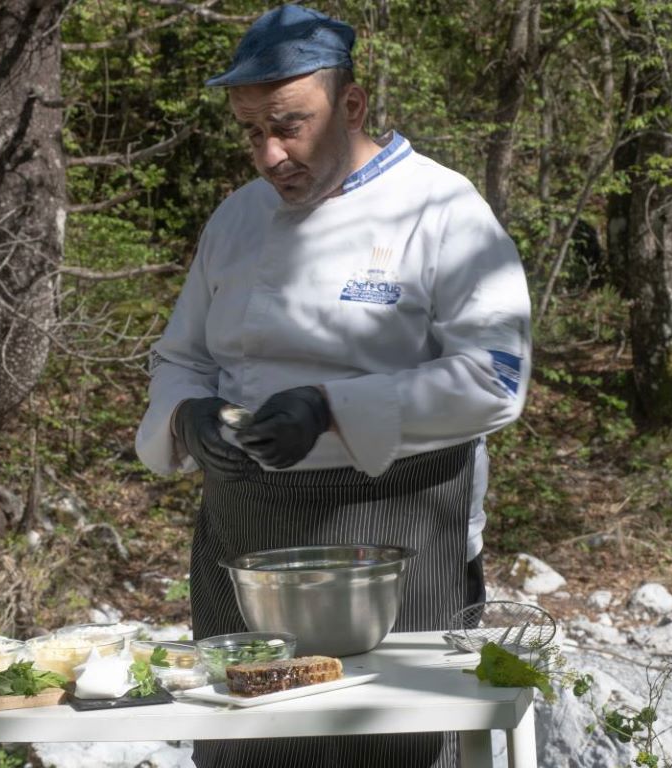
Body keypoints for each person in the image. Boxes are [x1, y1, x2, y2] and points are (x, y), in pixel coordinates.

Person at [134, 5, 531, 767]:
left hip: (397, 531)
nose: (269, 154)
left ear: (350, 105)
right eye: (251, 131)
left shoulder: (441, 209)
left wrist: (328, 409)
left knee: (394, 747)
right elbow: (179, 356)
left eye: (290, 126)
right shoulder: (237, 218)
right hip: (245, 529)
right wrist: (186, 415)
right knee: (246, 746)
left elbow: (494, 377)